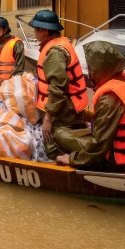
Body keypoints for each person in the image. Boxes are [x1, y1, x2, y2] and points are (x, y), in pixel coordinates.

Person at [53, 41, 125, 171]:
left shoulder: (109, 99)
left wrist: (72, 159)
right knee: (73, 131)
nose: (89, 72)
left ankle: (68, 165)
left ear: (98, 69)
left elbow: (99, 145)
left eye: (90, 68)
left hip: (117, 161)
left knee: (58, 134)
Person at [29, 9, 88, 160]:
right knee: (65, 134)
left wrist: (47, 119)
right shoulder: (61, 44)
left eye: (35, 29)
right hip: (72, 106)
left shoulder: (54, 53)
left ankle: (73, 159)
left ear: (43, 31)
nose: (34, 33)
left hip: (64, 110)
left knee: (52, 141)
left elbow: (57, 89)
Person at [0, 16, 25, 86]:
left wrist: (10, 85)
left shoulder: (16, 43)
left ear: (5, 29)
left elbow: (19, 68)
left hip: (9, 86)